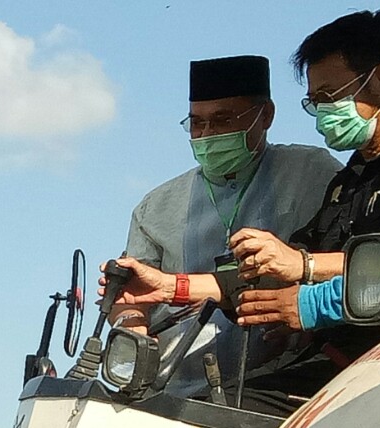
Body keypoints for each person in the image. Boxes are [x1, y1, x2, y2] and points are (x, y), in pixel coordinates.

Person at [111, 11, 380, 406]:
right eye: (314, 103)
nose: (323, 114)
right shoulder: (349, 180)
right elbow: (270, 277)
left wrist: (306, 284)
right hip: (327, 367)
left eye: (329, 98)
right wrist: (168, 286)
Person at [115, 56, 338, 394]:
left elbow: (342, 263)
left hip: (283, 386)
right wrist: (132, 328)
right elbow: (132, 295)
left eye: (222, 120)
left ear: (265, 116)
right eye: (197, 123)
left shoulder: (313, 174)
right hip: (173, 390)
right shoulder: (156, 207)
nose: (208, 134)